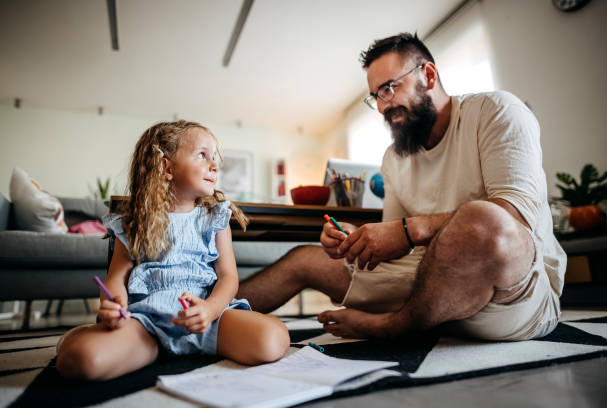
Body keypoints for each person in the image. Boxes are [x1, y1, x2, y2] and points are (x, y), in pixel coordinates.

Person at [237, 33, 566, 341]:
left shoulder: (497, 112)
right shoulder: (394, 158)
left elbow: (515, 216)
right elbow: (394, 240)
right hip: (433, 289)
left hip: (514, 295)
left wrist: (411, 230)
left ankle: (393, 326)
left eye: (389, 88)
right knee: (303, 260)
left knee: (484, 219)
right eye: (375, 96)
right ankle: (204, 317)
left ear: (429, 76)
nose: (382, 106)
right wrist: (359, 239)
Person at [56, 120, 289, 380]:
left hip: (208, 320)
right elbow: (116, 278)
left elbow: (228, 277)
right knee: (81, 360)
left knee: (274, 339)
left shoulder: (215, 218)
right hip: (148, 325)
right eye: (203, 155)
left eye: (214, 157)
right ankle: (98, 337)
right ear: (166, 167)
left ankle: (171, 346)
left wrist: (210, 310)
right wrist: (114, 305)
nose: (214, 165)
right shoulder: (134, 223)